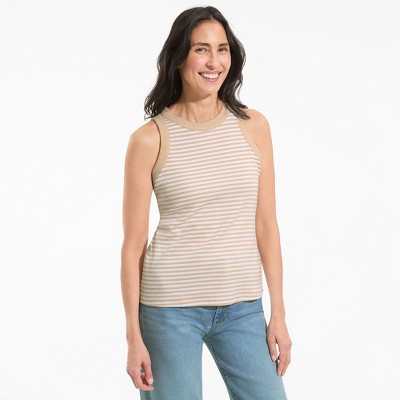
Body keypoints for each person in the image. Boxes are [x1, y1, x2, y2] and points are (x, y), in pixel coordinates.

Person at [120, 6, 292, 400]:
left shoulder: (254, 126)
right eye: (201, 49)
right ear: (179, 57)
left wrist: (278, 312)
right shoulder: (149, 139)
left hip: (243, 308)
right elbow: (133, 246)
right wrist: (132, 336)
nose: (214, 62)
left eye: (222, 49)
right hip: (169, 310)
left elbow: (266, 225)